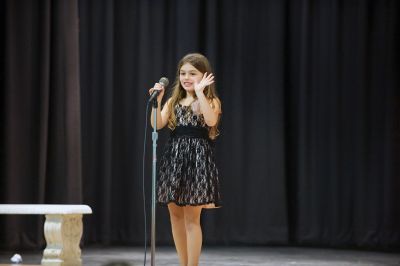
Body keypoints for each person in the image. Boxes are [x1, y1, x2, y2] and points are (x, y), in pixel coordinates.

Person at [149, 53, 222, 266]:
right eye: (183, 73)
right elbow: (157, 124)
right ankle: (183, 263)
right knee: (175, 215)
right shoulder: (174, 100)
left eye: (192, 73)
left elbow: (210, 120)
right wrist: (158, 100)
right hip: (174, 160)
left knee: (192, 218)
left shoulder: (209, 100)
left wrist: (200, 93)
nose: (186, 77)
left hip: (197, 162)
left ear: (204, 76)